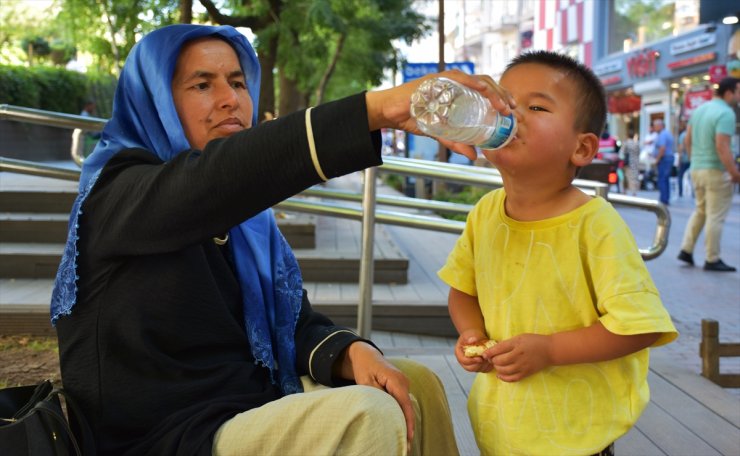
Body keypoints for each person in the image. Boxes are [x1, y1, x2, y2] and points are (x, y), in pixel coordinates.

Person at [50, 24, 512, 455]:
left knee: (415, 384)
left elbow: (291, 323)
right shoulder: (118, 194)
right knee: (364, 415)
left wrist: (350, 351)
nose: (230, 99)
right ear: (154, 100)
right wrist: (379, 109)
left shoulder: (242, 220)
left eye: (237, 81)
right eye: (202, 84)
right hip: (165, 434)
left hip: (249, 399)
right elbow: (214, 180)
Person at [436, 51, 678, 456]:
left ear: (582, 148)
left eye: (535, 106)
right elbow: (463, 290)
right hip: (503, 426)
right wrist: (471, 333)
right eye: (505, 102)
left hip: (576, 434)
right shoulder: (485, 214)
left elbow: (640, 326)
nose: (513, 115)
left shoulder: (594, 224)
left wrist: (549, 351)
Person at [678, 77, 740, 272]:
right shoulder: (726, 113)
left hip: (697, 169)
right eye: (739, 91)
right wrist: (734, 172)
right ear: (729, 92)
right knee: (715, 216)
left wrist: (694, 159)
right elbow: (722, 146)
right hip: (715, 171)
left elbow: (687, 140)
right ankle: (712, 258)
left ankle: (686, 250)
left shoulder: (700, 110)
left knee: (701, 211)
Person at [651, 118, 674, 205]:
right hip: (668, 158)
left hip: (664, 159)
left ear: (659, 126)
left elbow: (662, 148)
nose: (654, 128)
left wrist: (657, 159)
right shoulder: (667, 133)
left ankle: (663, 199)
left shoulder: (663, 135)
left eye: (655, 126)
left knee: (663, 179)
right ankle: (665, 198)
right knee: (665, 179)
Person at [622, 127, 641, 196]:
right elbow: (639, 152)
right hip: (635, 162)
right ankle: (634, 191)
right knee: (634, 176)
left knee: (627, 176)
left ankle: (625, 190)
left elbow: (622, 153)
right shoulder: (636, 144)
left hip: (628, 162)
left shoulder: (626, 143)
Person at [676, 120, 691, 197]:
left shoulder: (683, 135)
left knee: (680, 176)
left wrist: (679, 159)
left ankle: (680, 192)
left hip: (685, 159)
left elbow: (681, 148)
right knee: (692, 176)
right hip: (692, 158)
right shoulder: (694, 135)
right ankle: (693, 193)